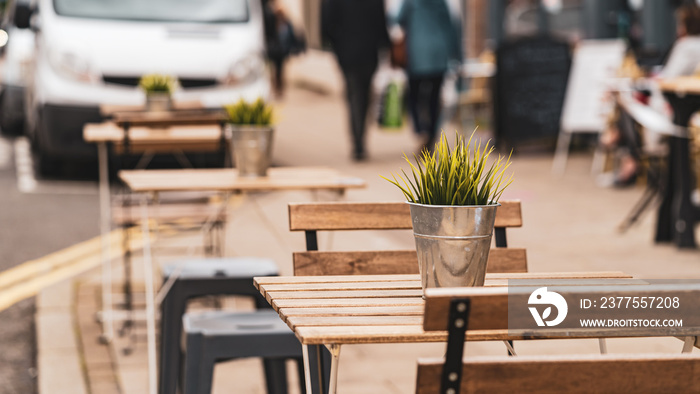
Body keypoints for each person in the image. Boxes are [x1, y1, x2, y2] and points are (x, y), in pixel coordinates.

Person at [604, 3, 700, 186]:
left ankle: (630, 159)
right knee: (630, 102)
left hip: (675, 107)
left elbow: (668, 78)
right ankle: (626, 152)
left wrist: (647, 80)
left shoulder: (686, 45)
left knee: (628, 103)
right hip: (684, 105)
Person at [322, 0, 390, 161]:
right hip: (367, 53)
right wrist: (385, 46)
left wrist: (335, 45)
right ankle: (359, 139)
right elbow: (381, 22)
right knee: (363, 95)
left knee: (355, 95)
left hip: (348, 53)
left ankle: (358, 140)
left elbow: (326, 24)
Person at [396, 0, 462, 153]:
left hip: (416, 55)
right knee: (434, 98)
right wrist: (457, 55)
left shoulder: (410, 3)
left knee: (414, 96)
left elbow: (398, 19)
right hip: (439, 54)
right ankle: (431, 133)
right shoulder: (441, 3)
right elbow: (451, 28)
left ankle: (420, 129)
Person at [263, 0, 304, 98]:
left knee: (280, 70)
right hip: (275, 50)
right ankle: (276, 88)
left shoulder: (285, 23)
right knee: (276, 70)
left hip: (281, 50)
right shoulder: (271, 20)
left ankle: (279, 89)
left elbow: (292, 35)